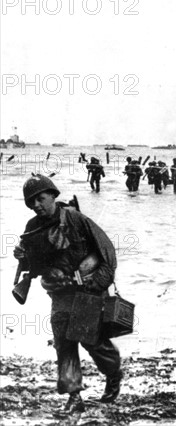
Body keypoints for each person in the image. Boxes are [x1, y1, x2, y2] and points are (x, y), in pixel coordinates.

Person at [13, 175, 123, 413]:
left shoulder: (75, 219)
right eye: (32, 203)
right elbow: (37, 265)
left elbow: (107, 251)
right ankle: (74, 397)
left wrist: (98, 282)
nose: (37, 205)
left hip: (87, 290)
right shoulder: (33, 228)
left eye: (41, 199)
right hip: (60, 293)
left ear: (53, 195)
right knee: (64, 344)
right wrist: (24, 258)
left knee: (90, 341)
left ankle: (114, 373)